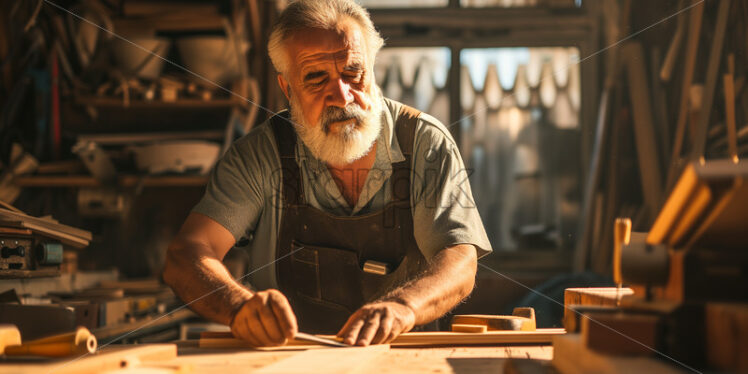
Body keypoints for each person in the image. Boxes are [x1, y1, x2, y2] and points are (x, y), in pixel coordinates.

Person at [163, 0, 491, 347]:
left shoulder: (425, 143)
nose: (341, 95)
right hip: (292, 362)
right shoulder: (261, 155)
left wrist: (402, 307)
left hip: (405, 361)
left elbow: (459, 260)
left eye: (353, 72)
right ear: (287, 89)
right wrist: (238, 307)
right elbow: (186, 254)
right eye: (317, 79)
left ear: (373, 68)